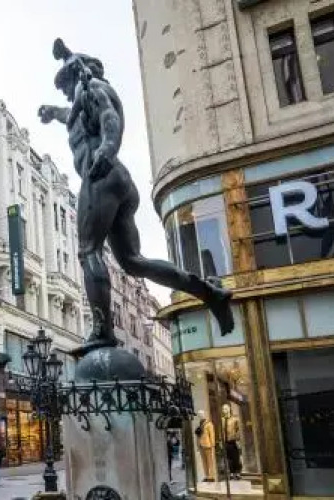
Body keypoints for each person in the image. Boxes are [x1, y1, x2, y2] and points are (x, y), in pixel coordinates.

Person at [38, 39, 234, 357]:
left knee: (88, 251)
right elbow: (74, 115)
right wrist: (53, 112)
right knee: (132, 261)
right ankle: (208, 290)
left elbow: (109, 118)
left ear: (75, 74)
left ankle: (102, 329)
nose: (65, 94)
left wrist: (107, 149)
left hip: (101, 176)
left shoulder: (93, 87)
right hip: (121, 182)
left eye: (65, 87)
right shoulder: (80, 102)